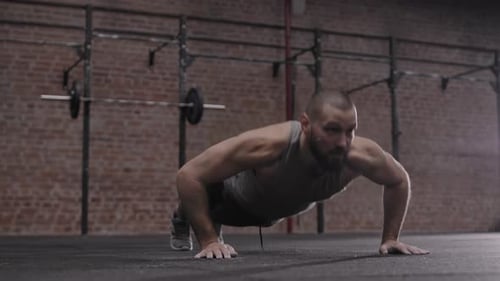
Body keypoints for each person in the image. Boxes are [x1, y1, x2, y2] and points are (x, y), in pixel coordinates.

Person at [170, 91, 430, 259]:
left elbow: (398, 180)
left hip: (274, 211)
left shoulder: (360, 154)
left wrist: (391, 238)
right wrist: (209, 241)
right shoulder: (269, 144)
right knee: (206, 187)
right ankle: (183, 218)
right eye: (332, 130)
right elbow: (188, 175)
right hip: (233, 203)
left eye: (350, 130)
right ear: (305, 124)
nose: (343, 142)